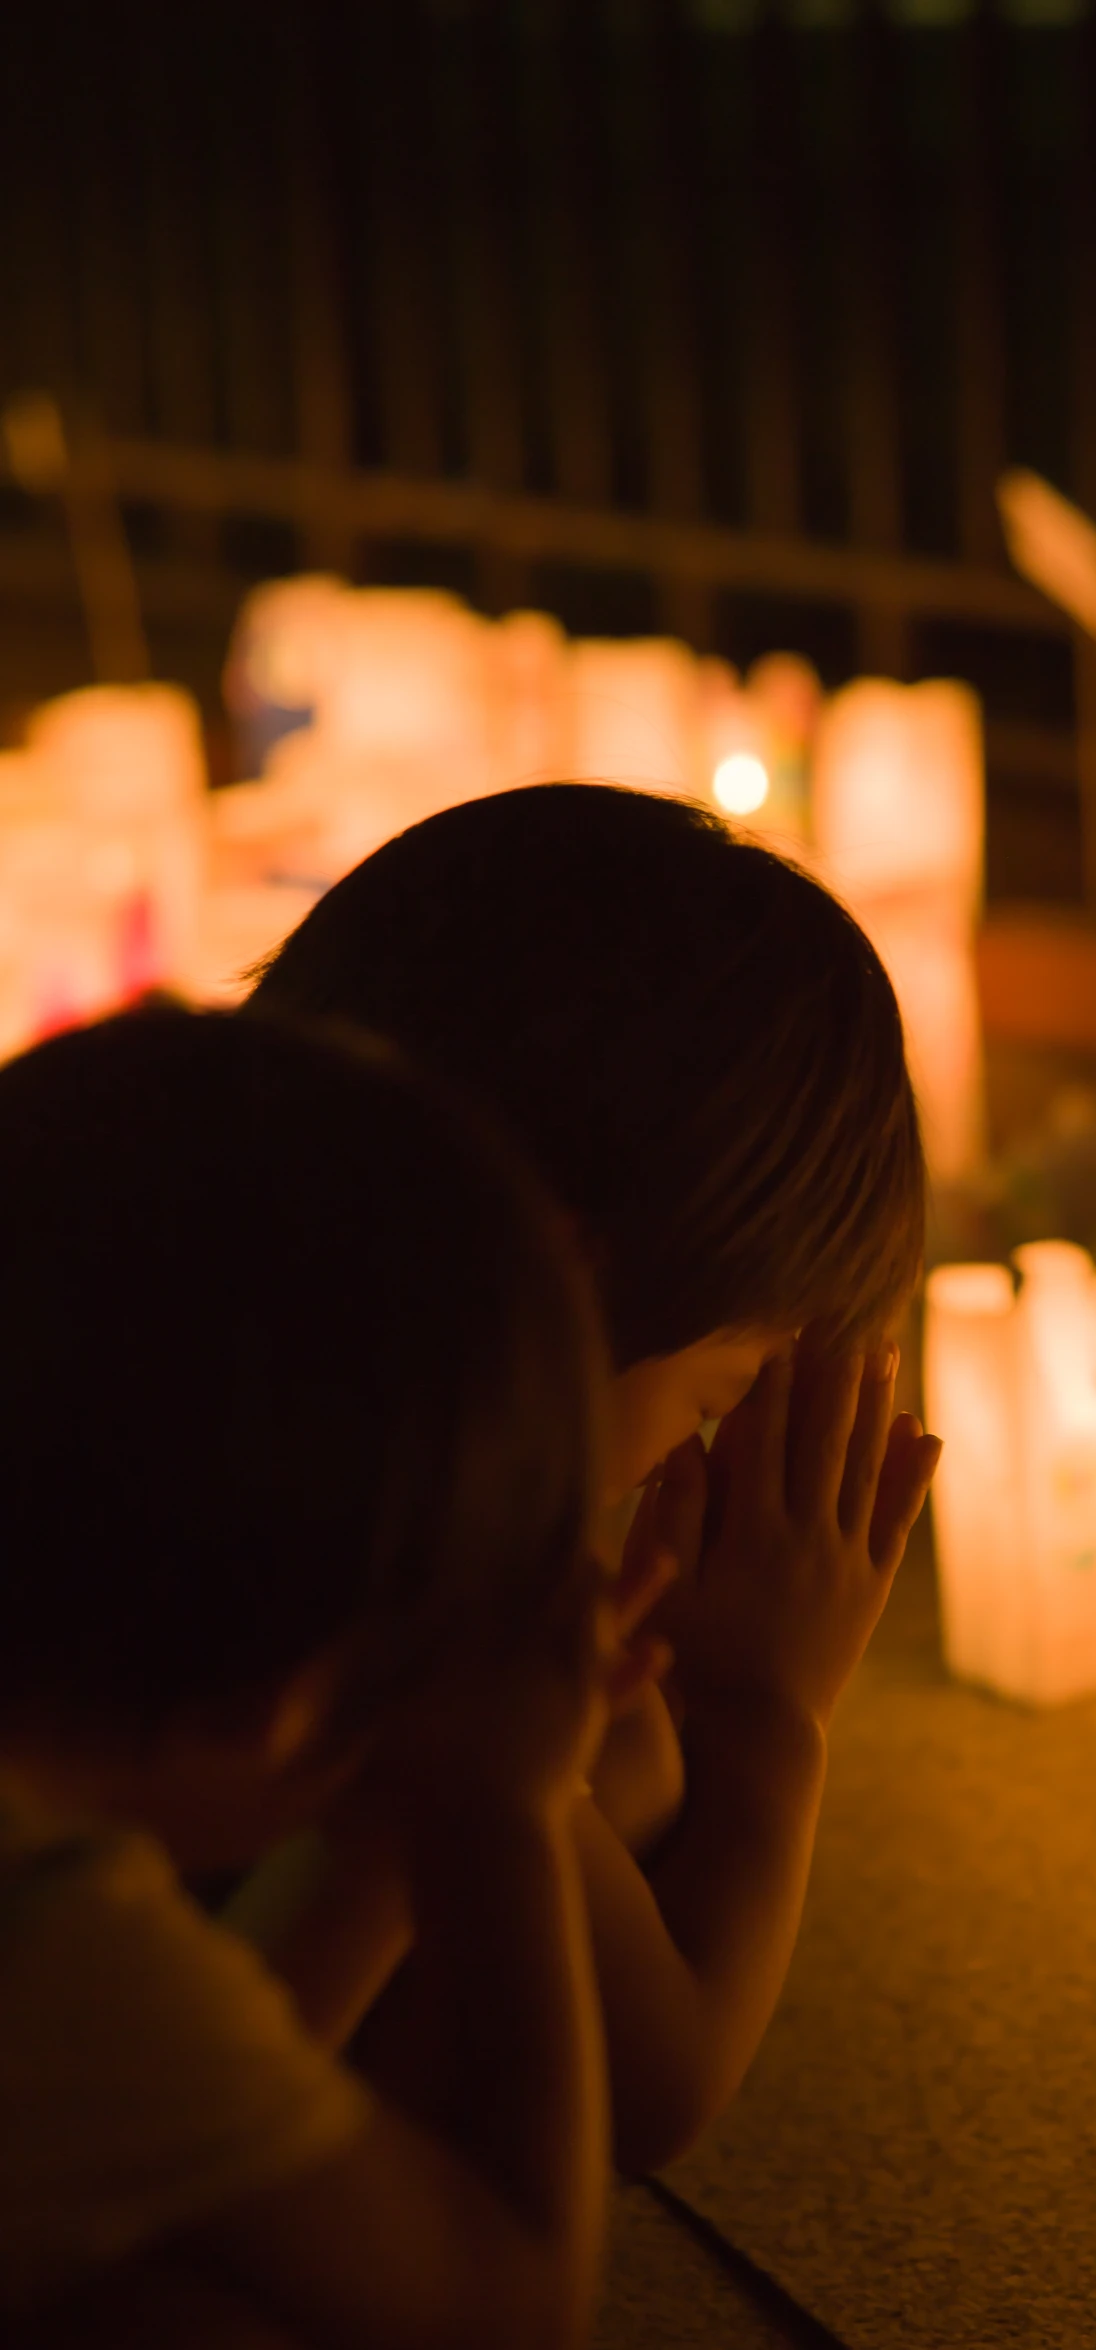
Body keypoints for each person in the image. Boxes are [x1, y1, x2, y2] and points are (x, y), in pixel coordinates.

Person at [244, 782, 944, 2175]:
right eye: (717, 1393)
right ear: (561, 1278)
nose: (690, 1457)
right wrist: (767, 1715)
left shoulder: (226, 1383)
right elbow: (657, 2083)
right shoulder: (400, 1577)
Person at [0, 1005, 646, 2350]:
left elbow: (194, 2136)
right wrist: (498, 1812)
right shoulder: (45, 1929)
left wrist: (369, 1857)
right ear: (271, 1703)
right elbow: (509, 2307)